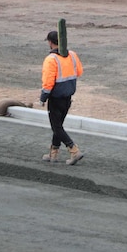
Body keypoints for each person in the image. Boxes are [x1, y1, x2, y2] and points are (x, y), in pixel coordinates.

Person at [40, 30, 84, 165]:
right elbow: (79, 71)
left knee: (56, 127)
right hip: (68, 96)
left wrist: (43, 97)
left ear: (50, 42)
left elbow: (48, 81)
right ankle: (53, 153)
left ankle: (73, 150)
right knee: (58, 125)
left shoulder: (51, 59)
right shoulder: (72, 55)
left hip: (56, 97)